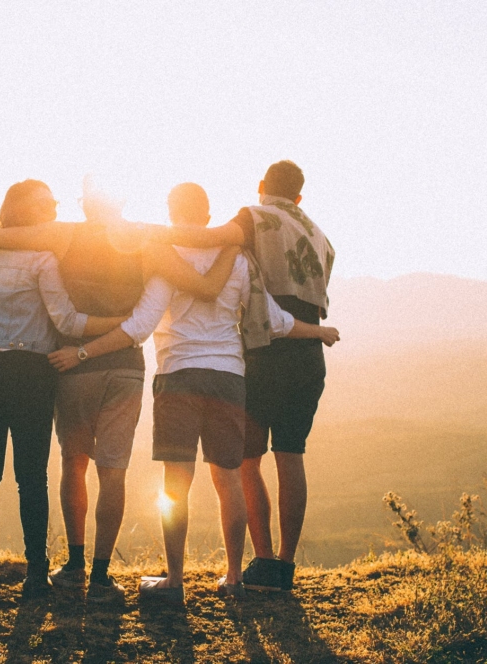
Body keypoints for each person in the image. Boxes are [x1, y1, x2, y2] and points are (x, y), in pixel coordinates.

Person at [49, 183, 339, 602]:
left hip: (179, 376)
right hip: (229, 378)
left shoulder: (166, 258)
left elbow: (140, 326)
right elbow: (274, 320)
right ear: (207, 216)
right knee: (229, 480)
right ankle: (235, 578)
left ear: (171, 212)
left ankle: (174, 582)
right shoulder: (238, 259)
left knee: (176, 484)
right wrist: (319, 331)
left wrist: (83, 352)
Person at [0, 178, 238, 603]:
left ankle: (75, 564)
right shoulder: (146, 240)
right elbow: (202, 285)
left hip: (72, 366)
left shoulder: (65, 234)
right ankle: (101, 576)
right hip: (125, 368)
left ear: (86, 205)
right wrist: (232, 243)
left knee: (74, 462)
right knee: (113, 471)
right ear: (122, 200)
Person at [148, 161, 336, 592]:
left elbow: (210, 239)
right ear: (300, 197)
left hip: (265, 351)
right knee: (292, 456)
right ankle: (283, 568)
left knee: (244, 463)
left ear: (261, 186)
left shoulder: (254, 217)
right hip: (307, 354)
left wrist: (147, 234)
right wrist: (320, 332)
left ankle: (262, 562)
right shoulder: (321, 236)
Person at [0, 179, 126, 600]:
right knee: (30, 476)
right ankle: (36, 575)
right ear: (28, 212)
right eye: (47, 203)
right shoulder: (42, 259)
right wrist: (120, 324)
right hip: (29, 372)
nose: (55, 207)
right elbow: (68, 323)